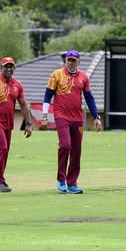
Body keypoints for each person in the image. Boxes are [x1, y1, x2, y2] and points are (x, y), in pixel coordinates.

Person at [41, 50, 102, 194]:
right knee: (65, 145)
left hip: (77, 118)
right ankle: (61, 179)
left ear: (78, 62)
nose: (71, 63)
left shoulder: (84, 77)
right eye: (69, 60)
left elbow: (89, 98)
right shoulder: (56, 75)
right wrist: (44, 116)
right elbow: (47, 96)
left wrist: (96, 117)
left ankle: (72, 182)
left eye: (73, 60)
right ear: (65, 61)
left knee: (76, 150)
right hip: (61, 116)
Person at [0, 57, 33, 192]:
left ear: (14, 68)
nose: (9, 69)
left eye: (11, 66)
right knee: (2, 149)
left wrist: (28, 124)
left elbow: (23, 105)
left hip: (9, 123)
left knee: (4, 152)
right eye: (6, 66)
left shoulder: (17, 85)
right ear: (1, 68)